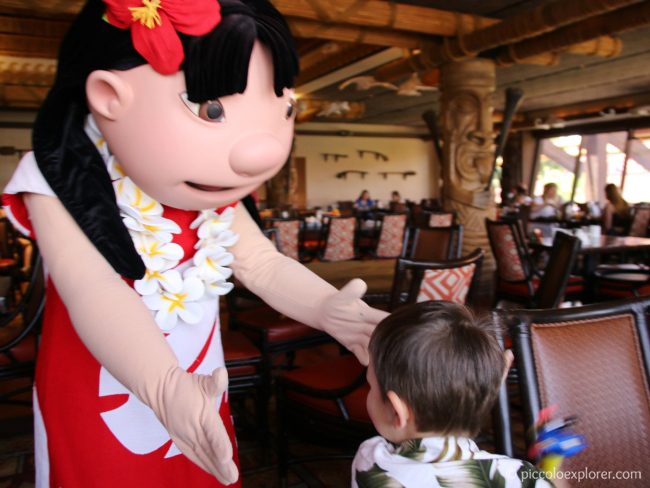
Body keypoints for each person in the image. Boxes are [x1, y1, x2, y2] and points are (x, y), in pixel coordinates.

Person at [1, 1, 387, 486]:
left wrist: (329, 309)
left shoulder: (209, 183)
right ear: (108, 96)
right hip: (96, 387)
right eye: (211, 109)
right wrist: (164, 389)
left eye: (283, 107)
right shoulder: (55, 175)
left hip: (203, 381)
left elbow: (260, 264)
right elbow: (92, 286)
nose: (261, 150)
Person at [352, 301, 555, 487]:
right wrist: (553, 462)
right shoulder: (517, 476)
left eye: (371, 385)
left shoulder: (371, 464)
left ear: (398, 411)